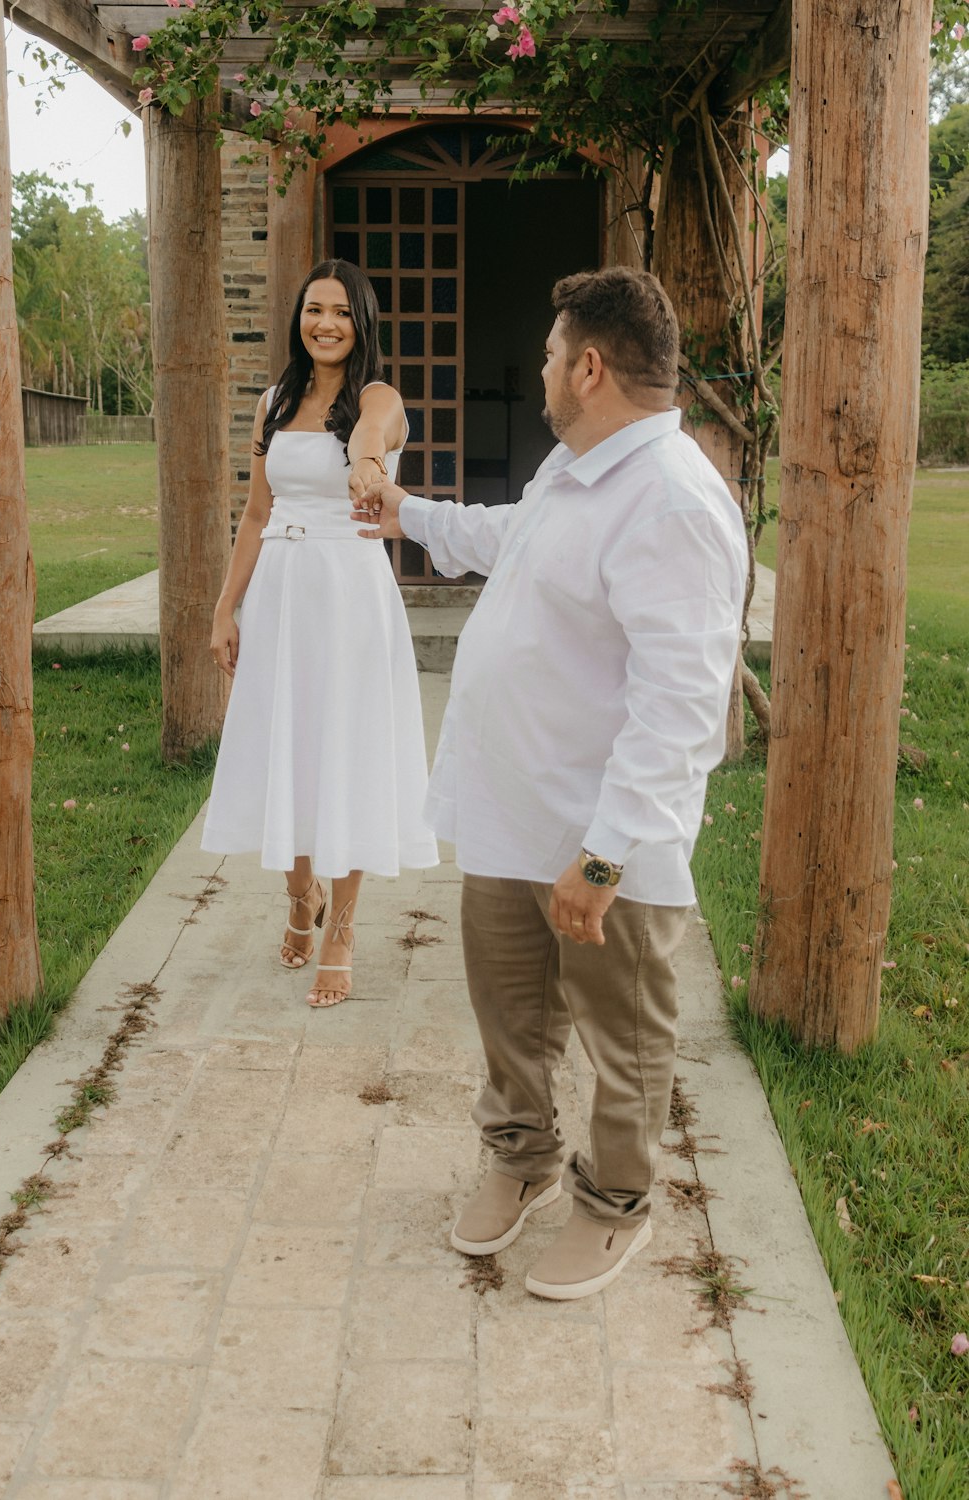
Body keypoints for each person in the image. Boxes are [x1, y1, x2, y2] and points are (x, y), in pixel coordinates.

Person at [353, 266, 747, 1298]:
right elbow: (501, 540)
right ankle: (519, 1160)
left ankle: (615, 1207)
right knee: (511, 1012)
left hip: (596, 836)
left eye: (545, 355)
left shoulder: (671, 501)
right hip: (510, 811)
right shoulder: (576, 471)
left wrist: (605, 851)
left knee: (623, 1035)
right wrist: (406, 512)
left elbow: (678, 706)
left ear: (588, 365)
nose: (537, 373)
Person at [202, 259, 438, 1006]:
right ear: (298, 319)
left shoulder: (379, 397)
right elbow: (256, 515)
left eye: (340, 311)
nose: (326, 324)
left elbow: (373, 435)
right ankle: (299, 895)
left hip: (350, 594)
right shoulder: (272, 401)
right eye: (314, 311)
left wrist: (368, 465)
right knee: (290, 745)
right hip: (279, 591)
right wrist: (223, 608)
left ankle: (343, 928)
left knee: (347, 750)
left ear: (360, 321)